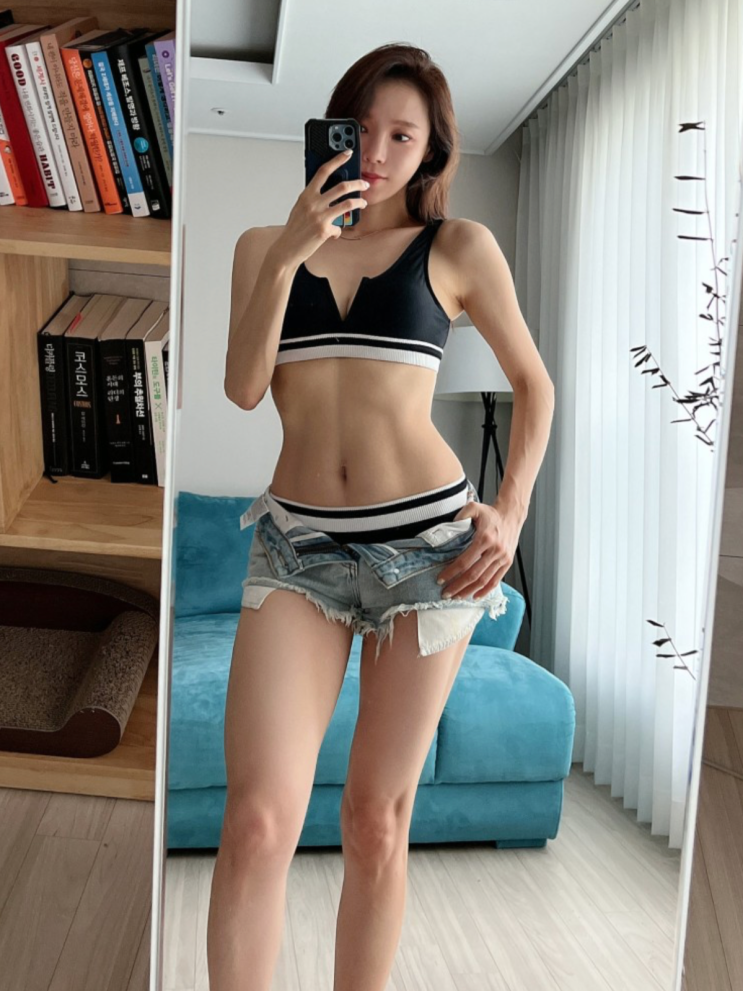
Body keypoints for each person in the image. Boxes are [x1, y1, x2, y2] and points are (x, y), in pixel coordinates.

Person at [211, 42, 554, 991]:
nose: (376, 150)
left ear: (431, 150)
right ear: (331, 127)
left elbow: (534, 385)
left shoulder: (457, 248)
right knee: (257, 821)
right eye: (361, 128)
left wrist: (510, 512)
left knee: (373, 817)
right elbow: (242, 388)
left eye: (402, 136)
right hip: (297, 549)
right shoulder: (262, 247)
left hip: (430, 552)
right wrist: (293, 246)